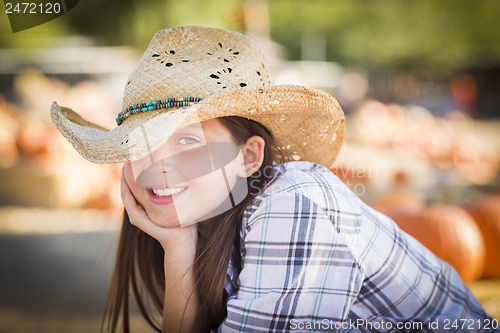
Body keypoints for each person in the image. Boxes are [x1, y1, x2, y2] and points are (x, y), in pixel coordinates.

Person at [51, 26, 498, 333]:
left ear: (249, 157)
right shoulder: (205, 223)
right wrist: (179, 248)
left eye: (187, 142)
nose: (156, 166)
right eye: (142, 147)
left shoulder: (294, 202)